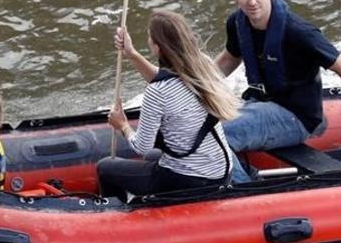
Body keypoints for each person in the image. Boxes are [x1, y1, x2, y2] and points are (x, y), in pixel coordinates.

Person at [215, 0, 341, 182]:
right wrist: (196, 85)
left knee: (217, 135)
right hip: (261, 103)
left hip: (296, 117)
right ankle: (246, 174)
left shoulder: (298, 32)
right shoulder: (237, 23)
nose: (252, 1)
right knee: (204, 122)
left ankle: (242, 191)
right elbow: (228, 59)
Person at [98, 10, 237, 199]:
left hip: (193, 179)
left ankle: (117, 218)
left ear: (157, 48)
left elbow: (142, 146)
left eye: (149, 37)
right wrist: (131, 54)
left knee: (105, 168)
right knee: (153, 158)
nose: (148, 40)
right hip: (221, 171)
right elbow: (164, 78)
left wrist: (122, 125)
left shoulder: (157, 92)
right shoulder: (201, 66)